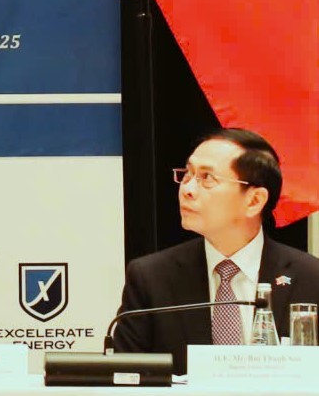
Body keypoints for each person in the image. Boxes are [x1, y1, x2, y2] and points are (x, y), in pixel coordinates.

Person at [113, 128, 319, 373]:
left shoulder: (310, 277)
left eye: (207, 178)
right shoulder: (151, 278)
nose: (187, 189)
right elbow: (126, 378)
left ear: (254, 201)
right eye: (187, 174)